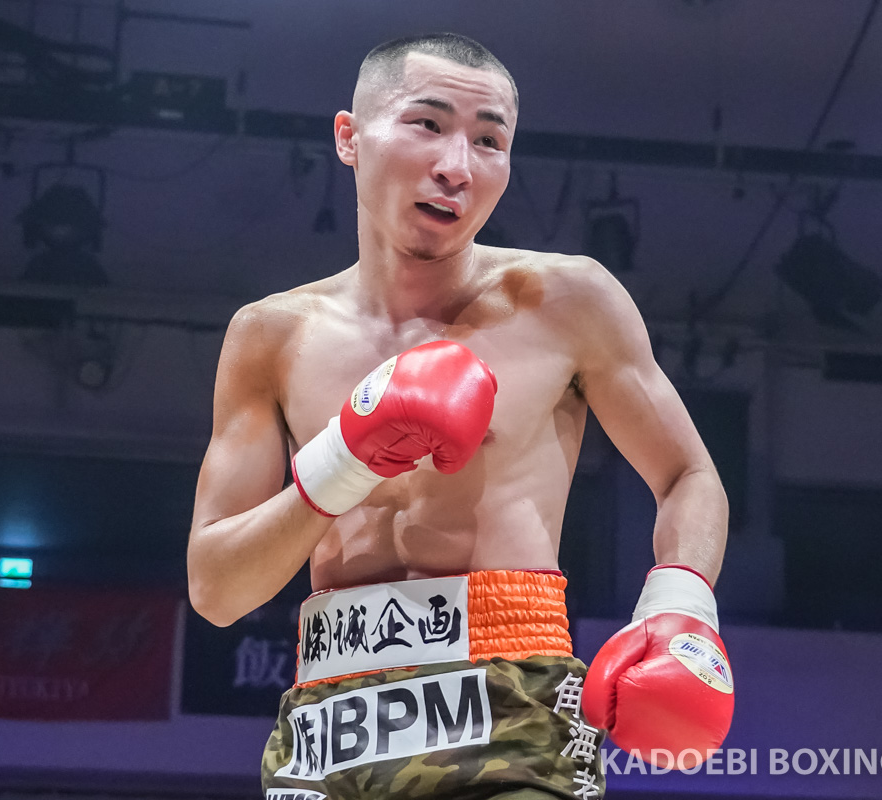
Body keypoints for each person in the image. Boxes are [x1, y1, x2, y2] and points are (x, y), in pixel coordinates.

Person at [187, 32, 733, 800]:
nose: (457, 165)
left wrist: (680, 605)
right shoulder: (270, 335)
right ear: (348, 137)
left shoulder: (567, 302)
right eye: (427, 123)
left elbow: (687, 474)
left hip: (509, 702)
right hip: (328, 721)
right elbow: (216, 591)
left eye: (488, 141)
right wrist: (343, 459)